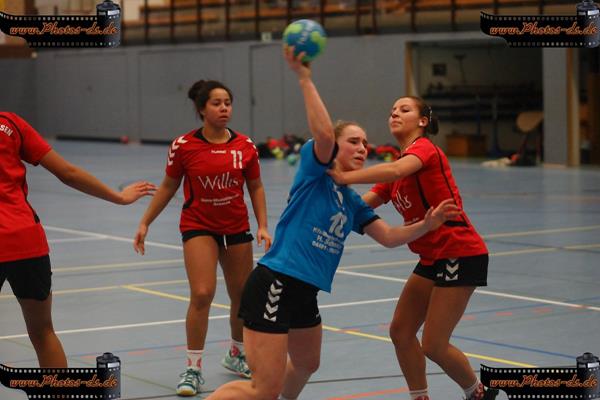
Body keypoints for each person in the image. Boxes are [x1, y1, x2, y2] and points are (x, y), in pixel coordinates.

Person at [205, 49, 460, 400]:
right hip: (276, 282)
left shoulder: (351, 199)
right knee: (263, 388)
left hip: (305, 292)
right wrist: (304, 78)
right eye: (353, 141)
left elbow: (388, 236)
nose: (362, 148)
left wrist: (427, 225)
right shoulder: (317, 172)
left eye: (365, 143)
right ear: (334, 146)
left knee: (306, 363)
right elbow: (324, 134)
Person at [328, 97, 498, 400]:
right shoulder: (399, 165)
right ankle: (420, 397)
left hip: (459, 251)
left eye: (404, 110)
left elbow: (395, 171)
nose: (395, 113)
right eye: (392, 110)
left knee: (434, 344)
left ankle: (478, 393)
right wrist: (324, 202)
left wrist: (344, 177)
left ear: (422, 121)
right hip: (432, 257)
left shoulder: (424, 150)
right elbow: (361, 208)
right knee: (401, 331)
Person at [132, 80, 272, 397]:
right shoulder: (184, 146)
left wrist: (263, 225)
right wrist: (145, 222)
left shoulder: (245, 146)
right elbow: (168, 186)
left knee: (243, 296)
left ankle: (237, 354)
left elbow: (256, 186)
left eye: (227, 103)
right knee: (202, 293)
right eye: (216, 103)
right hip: (199, 225)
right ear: (201, 109)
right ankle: (193, 369)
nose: (224, 108)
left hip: (236, 227)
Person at [0, 111, 156, 368]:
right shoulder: (9, 123)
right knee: (43, 332)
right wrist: (118, 197)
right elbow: (68, 172)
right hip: (26, 239)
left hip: (23, 242)